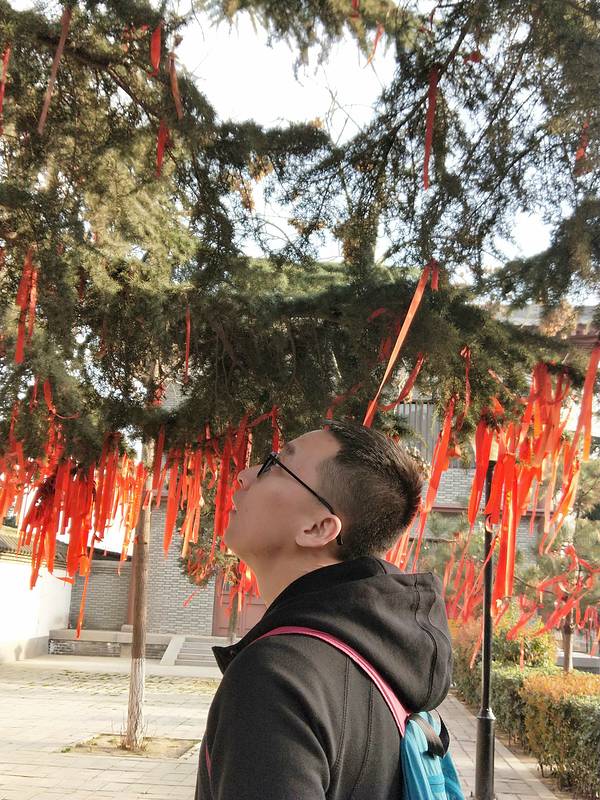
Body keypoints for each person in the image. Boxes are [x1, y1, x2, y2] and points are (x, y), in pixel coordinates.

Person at [195, 419, 453, 800]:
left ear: (318, 528)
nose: (244, 475)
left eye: (275, 465)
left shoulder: (276, 678)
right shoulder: (386, 665)